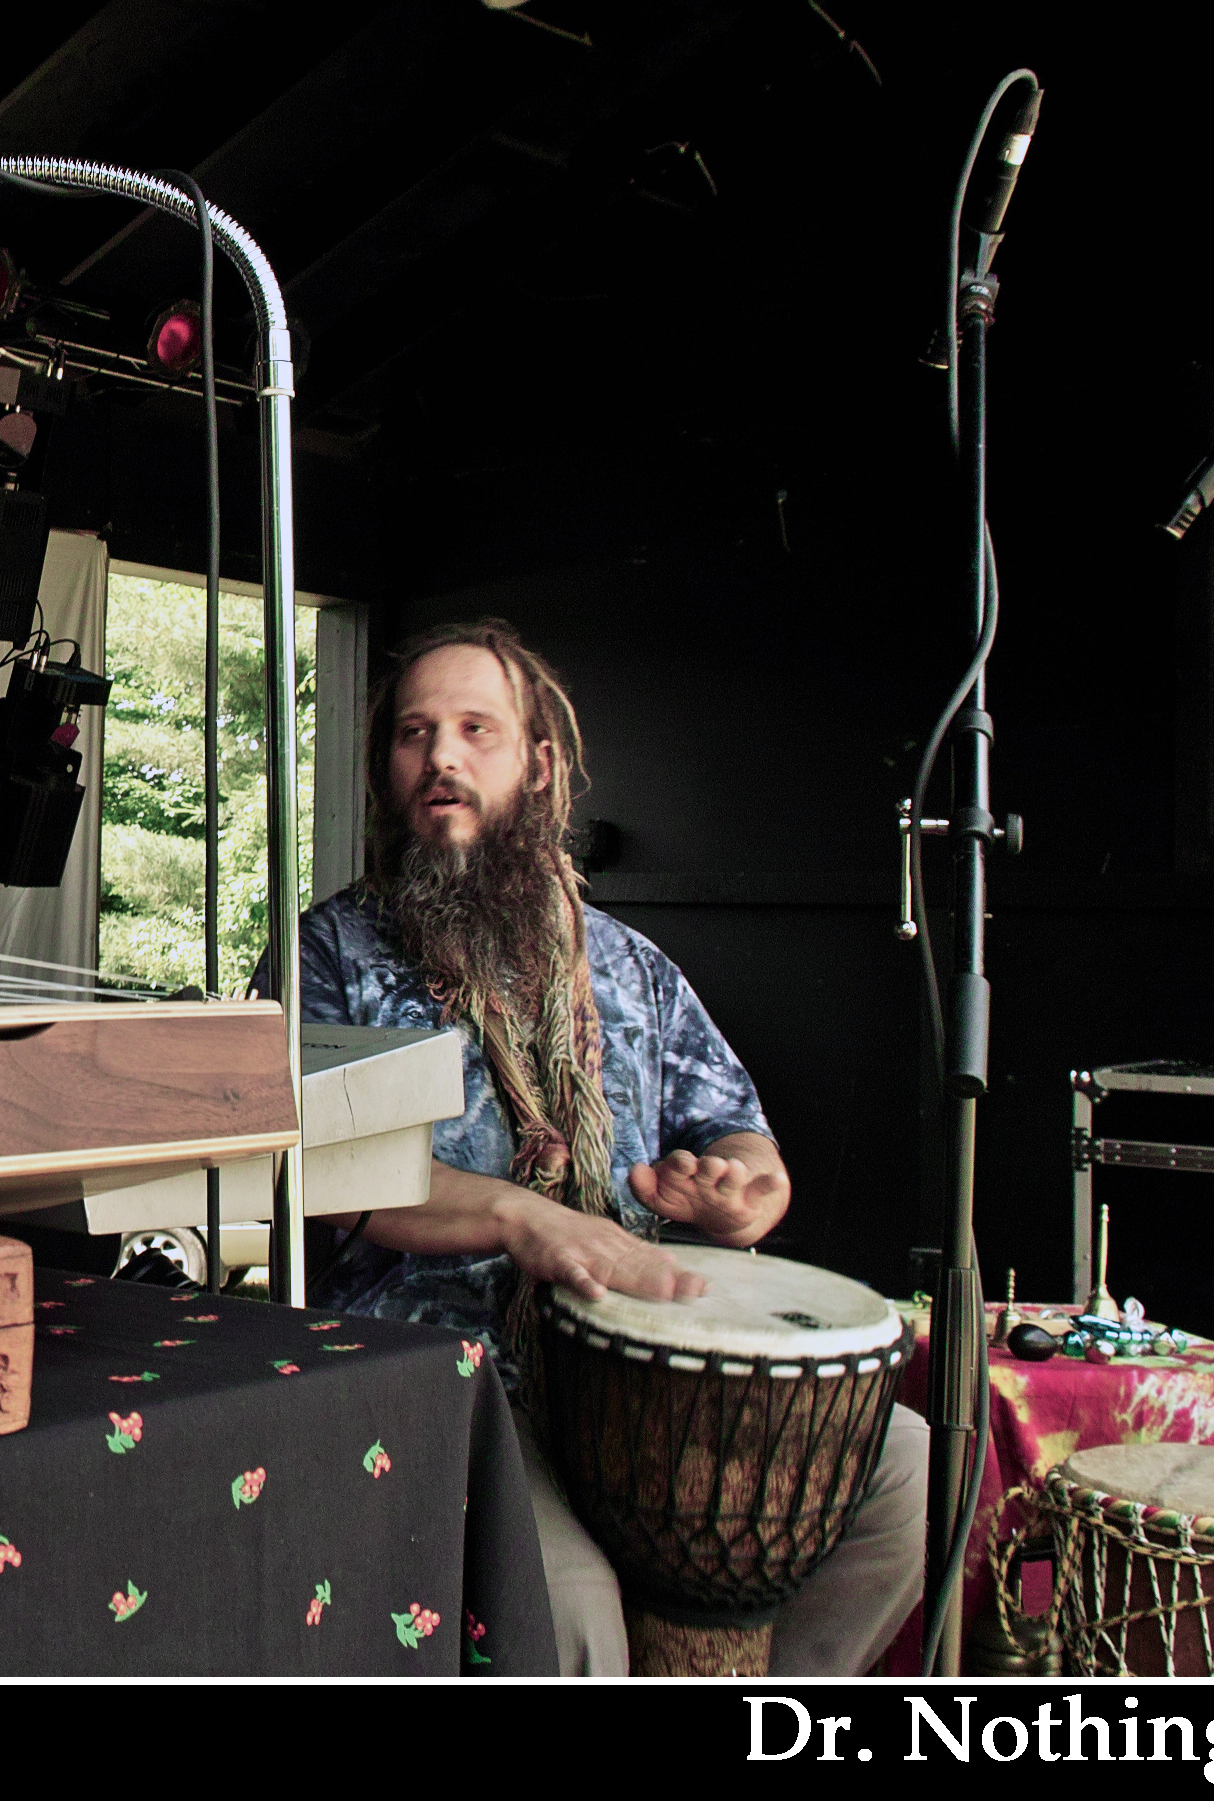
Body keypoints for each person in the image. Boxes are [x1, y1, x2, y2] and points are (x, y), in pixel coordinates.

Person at [275, 619, 929, 1676]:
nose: (441, 757)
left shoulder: (630, 967)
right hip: (446, 1371)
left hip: (626, 1360)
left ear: (538, 765)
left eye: (476, 729)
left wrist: (739, 1190)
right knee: (569, 1607)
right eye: (414, 733)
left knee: (902, 1473)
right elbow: (323, 1170)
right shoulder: (328, 953)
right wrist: (518, 1215)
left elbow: (741, 1140)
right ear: (385, 768)